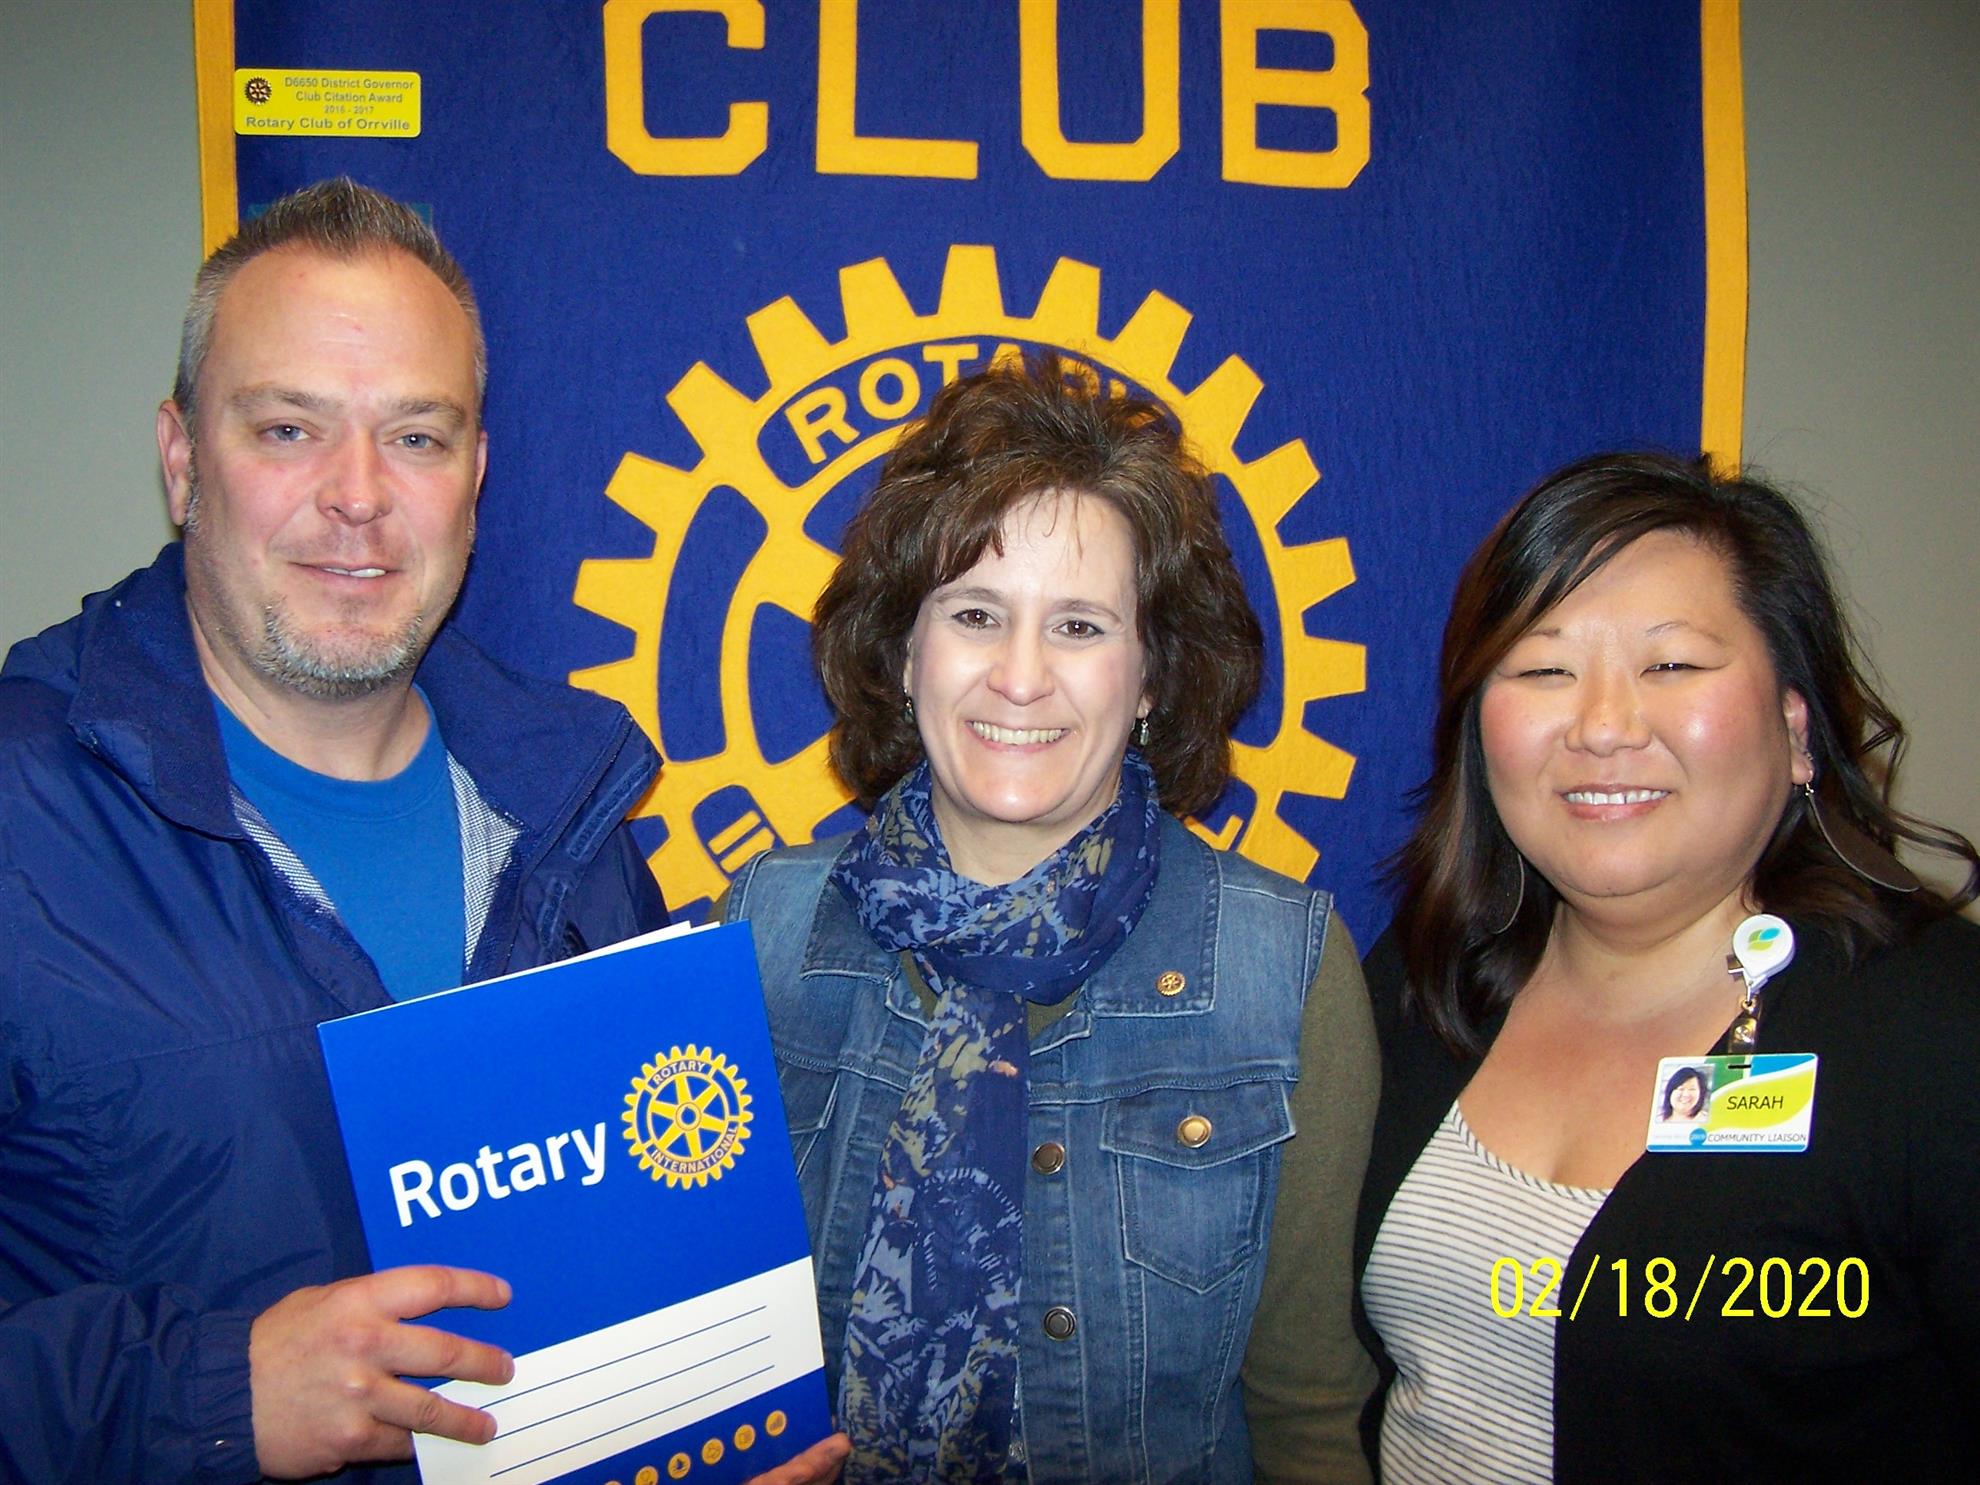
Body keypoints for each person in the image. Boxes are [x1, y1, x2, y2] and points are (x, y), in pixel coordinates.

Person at [0, 179, 673, 1482]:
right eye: (289, 428)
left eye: (416, 436)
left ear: (475, 475)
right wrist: (208, 1395)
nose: (358, 495)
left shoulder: (574, 812)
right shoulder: (20, 817)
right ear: (182, 459)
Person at [720, 354, 1379, 1482]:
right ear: (905, 651)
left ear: (1153, 675)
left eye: (1079, 626)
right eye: (976, 614)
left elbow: (1309, 1418)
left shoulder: (1283, 970)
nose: (1020, 677)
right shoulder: (762, 933)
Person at [1353, 451, 1980, 1482]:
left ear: (1797, 727)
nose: (1603, 726)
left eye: (1674, 666)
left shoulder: (1939, 1033)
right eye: (1545, 670)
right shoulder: (1427, 980)